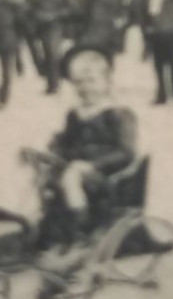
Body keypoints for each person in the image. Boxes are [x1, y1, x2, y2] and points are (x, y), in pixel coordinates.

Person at [20, 45, 139, 249]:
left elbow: (126, 152)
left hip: (106, 177)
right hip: (76, 169)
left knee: (71, 176)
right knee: (44, 177)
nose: (85, 89)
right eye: (79, 83)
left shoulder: (118, 114)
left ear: (107, 82)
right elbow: (65, 141)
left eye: (92, 81)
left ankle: (80, 231)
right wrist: (51, 151)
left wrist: (92, 165)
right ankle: (47, 226)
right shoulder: (75, 114)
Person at [28, 0, 71, 95]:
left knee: (53, 55)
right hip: (39, 26)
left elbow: (69, 8)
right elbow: (30, 8)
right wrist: (38, 15)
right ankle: (49, 81)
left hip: (55, 26)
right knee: (41, 55)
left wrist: (55, 15)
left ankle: (54, 85)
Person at [0, 0, 27, 108]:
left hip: (8, 40)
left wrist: (17, 41)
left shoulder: (13, 4)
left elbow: (21, 24)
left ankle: (3, 98)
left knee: (6, 72)